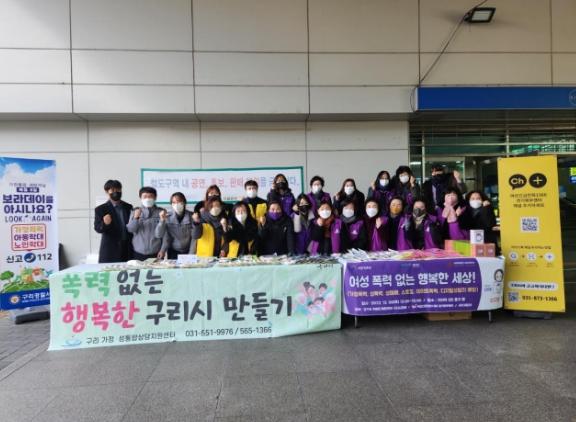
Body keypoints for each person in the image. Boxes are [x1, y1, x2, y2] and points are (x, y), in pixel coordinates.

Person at [94, 180, 133, 263]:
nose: (116, 192)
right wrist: (105, 223)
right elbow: (97, 228)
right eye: (112, 190)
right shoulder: (101, 209)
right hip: (110, 249)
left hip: (127, 248)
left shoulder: (128, 207)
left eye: (118, 189)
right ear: (107, 192)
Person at [126, 186, 164, 260]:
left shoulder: (161, 212)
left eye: (150, 196)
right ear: (140, 198)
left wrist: (163, 250)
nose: (148, 199)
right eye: (145, 196)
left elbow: (165, 234)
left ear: (155, 198)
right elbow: (130, 229)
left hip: (156, 252)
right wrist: (136, 217)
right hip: (138, 252)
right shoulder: (135, 211)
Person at [155, 192, 193, 259]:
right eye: (174, 202)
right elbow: (161, 235)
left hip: (189, 250)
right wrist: (162, 220)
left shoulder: (192, 216)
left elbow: (194, 238)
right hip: (173, 251)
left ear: (184, 202)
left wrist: (192, 253)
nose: (176, 204)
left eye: (179, 201)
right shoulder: (167, 216)